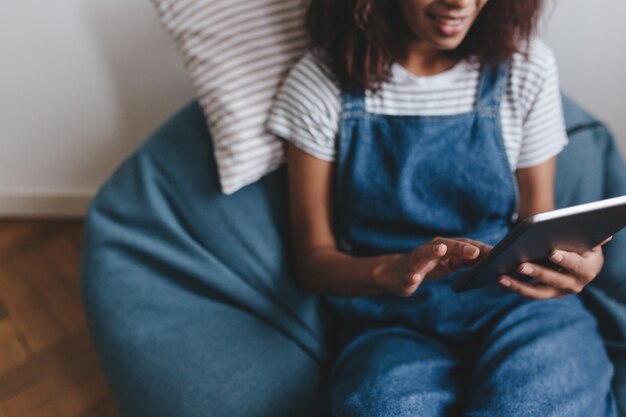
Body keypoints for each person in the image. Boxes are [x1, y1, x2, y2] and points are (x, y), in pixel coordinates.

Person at [267, 0, 616, 415]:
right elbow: (313, 261)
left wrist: (569, 267)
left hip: (516, 307)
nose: (460, 3)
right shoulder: (320, 81)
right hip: (389, 318)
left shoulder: (524, 67)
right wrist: (389, 271)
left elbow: (535, 223)